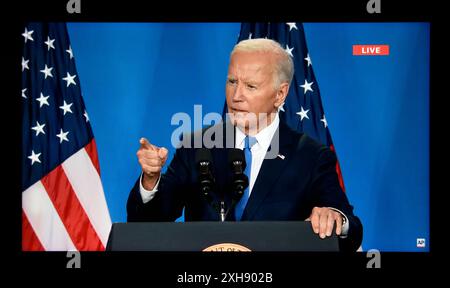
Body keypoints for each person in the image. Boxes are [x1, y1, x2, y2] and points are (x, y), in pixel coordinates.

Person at [127, 38, 363, 251]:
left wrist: (334, 218)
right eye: (232, 82)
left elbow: (352, 231)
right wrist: (150, 180)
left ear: (280, 94)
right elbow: (146, 224)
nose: (236, 95)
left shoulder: (310, 156)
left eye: (250, 86)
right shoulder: (197, 146)